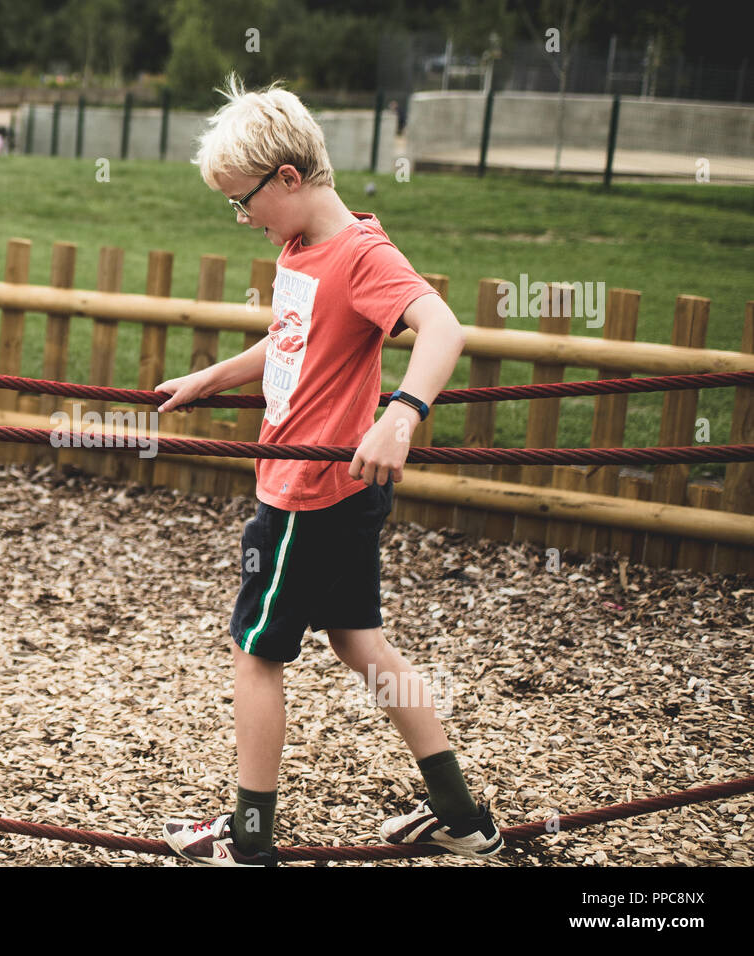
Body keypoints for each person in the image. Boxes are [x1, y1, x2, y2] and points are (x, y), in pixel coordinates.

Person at [154, 73, 502, 867]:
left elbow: (443, 329)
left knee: (255, 652)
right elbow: (289, 339)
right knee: (362, 644)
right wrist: (213, 377)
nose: (242, 218)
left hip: (308, 496)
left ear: (287, 178)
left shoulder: (359, 254)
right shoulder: (300, 248)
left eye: (243, 200)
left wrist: (401, 414)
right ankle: (460, 816)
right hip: (337, 493)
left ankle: (246, 839)